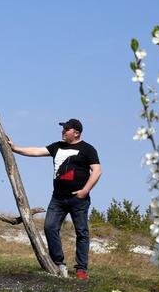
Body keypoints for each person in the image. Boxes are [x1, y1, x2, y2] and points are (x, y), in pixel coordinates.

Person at [8, 118, 102, 280]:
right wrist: (14, 148)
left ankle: (81, 269)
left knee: (82, 233)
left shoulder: (88, 149)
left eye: (66, 129)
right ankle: (59, 263)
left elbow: (97, 171)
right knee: (50, 227)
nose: (63, 131)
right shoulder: (57, 146)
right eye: (63, 129)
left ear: (76, 132)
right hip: (58, 198)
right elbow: (36, 151)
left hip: (78, 198)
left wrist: (85, 191)